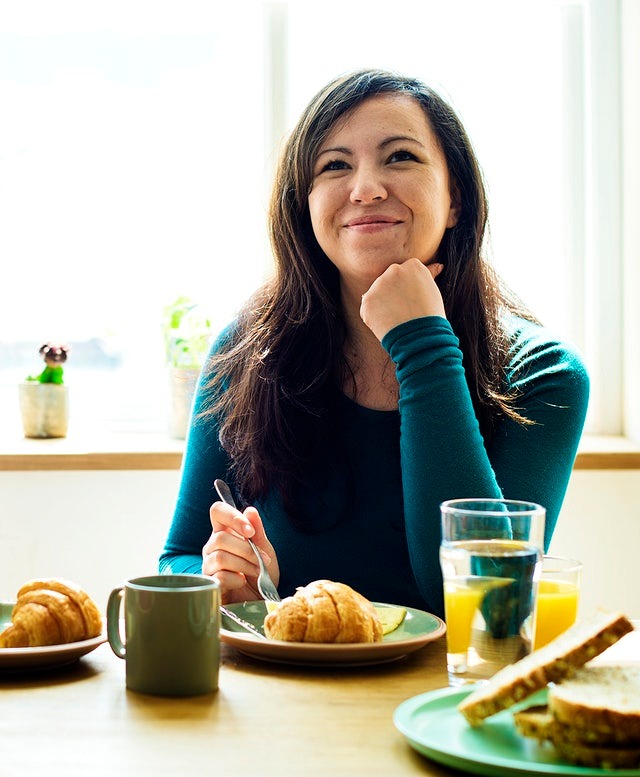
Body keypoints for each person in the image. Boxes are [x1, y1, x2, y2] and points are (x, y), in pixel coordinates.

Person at [159, 68, 589, 617]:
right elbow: (177, 558)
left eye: (401, 157)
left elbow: (487, 607)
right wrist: (222, 579)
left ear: (456, 199)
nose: (365, 189)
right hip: (290, 688)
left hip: (449, 695)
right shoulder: (245, 353)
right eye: (334, 165)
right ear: (305, 205)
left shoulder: (543, 374)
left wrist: (422, 345)